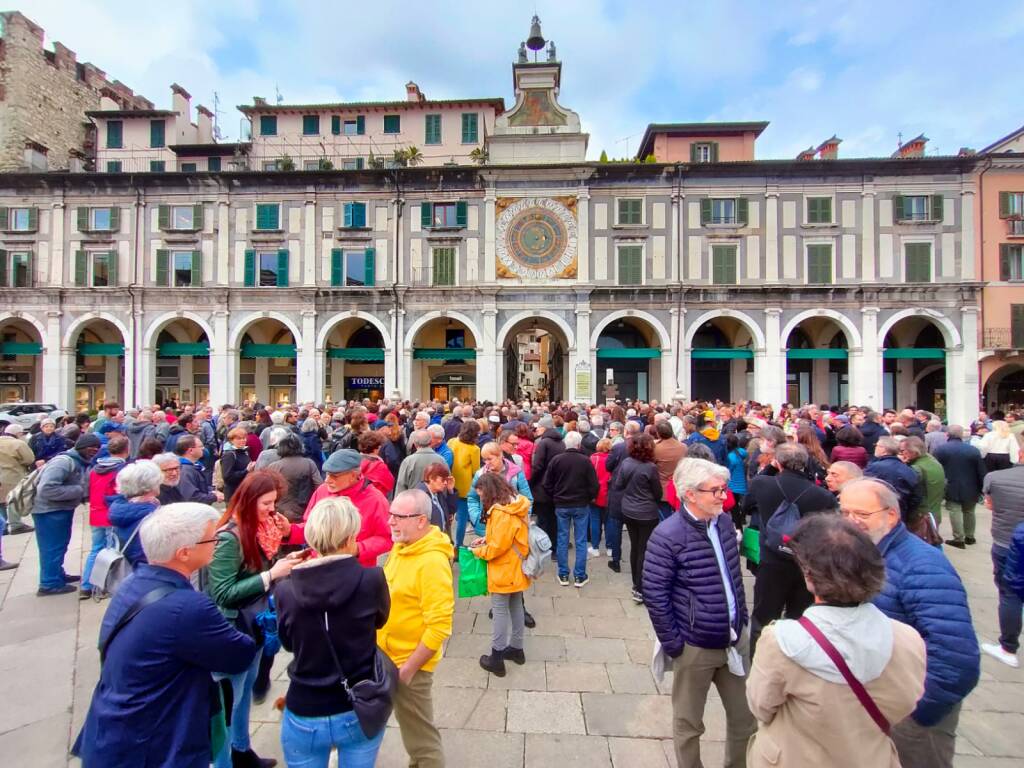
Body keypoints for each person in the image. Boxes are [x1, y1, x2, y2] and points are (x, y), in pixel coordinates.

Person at [72, 503, 258, 768]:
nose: (218, 540)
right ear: (184, 553)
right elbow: (240, 654)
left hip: (113, 729)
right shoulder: (187, 606)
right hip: (159, 743)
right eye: (212, 538)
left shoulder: (131, 585)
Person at [745, 514, 927, 768]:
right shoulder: (907, 639)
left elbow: (760, 706)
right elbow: (908, 701)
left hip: (797, 756)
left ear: (810, 575)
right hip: (870, 756)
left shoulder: (782, 642)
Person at [840, 478, 979, 768]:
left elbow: (957, 658)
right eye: (844, 513)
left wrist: (916, 714)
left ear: (891, 515)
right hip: (879, 702)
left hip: (912, 712)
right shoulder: (869, 551)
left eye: (862, 515)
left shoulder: (922, 566)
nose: (851, 522)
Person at [643, 458, 755, 767]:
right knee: (689, 723)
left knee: (745, 719)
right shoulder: (667, 535)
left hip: (734, 639)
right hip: (696, 644)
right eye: (716, 490)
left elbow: (733, 577)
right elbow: (655, 594)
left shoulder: (723, 521)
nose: (723, 496)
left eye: (723, 489)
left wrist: (741, 619)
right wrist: (676, 643)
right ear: (690, 494)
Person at [273, 496, 391, 768]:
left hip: (305, 705)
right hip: (357, 704)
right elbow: (380, 620)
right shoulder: (371, 579)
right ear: (350, 537)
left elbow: (289, 643)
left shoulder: (286, 590)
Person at [207, 470, 301, 768]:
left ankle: (242, 750)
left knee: (245, 693)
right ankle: (224, 761)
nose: (272, 509)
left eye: (274, 502)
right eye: (266, 503)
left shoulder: (263, 528)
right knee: (228, 702)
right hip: (233, 629)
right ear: (248, 501)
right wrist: (271, 575)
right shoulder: (229, 538)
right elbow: (222, 592)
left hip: (255, 623)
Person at [378, 489, 455, 768]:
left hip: (408, 664)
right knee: (412, 733)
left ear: (422, 521)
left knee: (421, 739)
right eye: (391, 515)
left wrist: (408, 671)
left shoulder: (432, 562)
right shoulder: (402, 546)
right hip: (386, 656)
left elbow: (439, 627)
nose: (391, 522)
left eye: (399, 517)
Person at [744, 442, 838, 650]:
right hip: (804, 564)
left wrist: (771, 468)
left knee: (764, 615)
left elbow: (747, 506)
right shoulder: (822, 495)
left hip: (771, 560)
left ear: (778, 462)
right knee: (800, 615)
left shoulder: (762, 484)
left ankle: (759, 655)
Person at [470, 473, 531, 677]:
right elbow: (505, 536)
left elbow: (496, 548)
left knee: (499, 610)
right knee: (516, 604)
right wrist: (485, 538)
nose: (481, 499)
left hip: (504, 568)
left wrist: (477, 551)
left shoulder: (500, 513)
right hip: (517, 565)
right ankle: (517, 649)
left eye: (481, 495)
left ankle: (496, 658)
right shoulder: (515, 504)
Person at [298, 449, 392, 567]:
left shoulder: (375, 499)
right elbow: (310, 527)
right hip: (319, 567)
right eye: (327, 474)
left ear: (353, 475)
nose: (327, 480)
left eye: (334, 476)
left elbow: (386, 538)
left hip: (356, 571)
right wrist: (289, 532)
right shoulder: (322, 490)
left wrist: (357, 549)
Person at [33, 433, 101, 596]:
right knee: (51, 547)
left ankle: (56, 574)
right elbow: (47, 488)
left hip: (59, 509)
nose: (95, 451)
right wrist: (78, 490)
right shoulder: (63, 462)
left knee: (60, 545)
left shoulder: (78, 460)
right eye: (92, 448)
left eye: (97, 448)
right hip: (49, 511)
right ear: (81, 447)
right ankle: (49, 583)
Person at [979, 458, 1024, 668]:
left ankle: (1008, 648)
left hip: (1006, 542)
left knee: (1009, 593)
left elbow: (989, 504)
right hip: (1008, 541)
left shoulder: (995, 477)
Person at [543, 431, 599, 588]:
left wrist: (555, 496)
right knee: (580, 540)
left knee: (562, 539)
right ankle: (580, 575)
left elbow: (547, 483)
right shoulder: (585, 461)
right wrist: (589, 497)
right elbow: (594, 485)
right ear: (579, 445)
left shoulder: (556, 460)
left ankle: (563, 573)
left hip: (562, 504)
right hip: (581, 504)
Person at [614, 433, 663, 603]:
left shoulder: (627, 463)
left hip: (629, 509)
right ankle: (640, 586)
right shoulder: (650, 468)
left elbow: (618, 485)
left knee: (636, 546)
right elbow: (658, 493)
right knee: (643, 548)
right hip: (646, 513)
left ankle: (636, 582)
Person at [81, 433, 130, 596]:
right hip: (113, 513)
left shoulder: (95, 468)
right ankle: (105, 584)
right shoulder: (122, 469)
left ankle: (87, 584)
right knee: (113, 550)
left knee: (96, 549)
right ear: (126, 450)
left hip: (96, 512)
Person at [932, 425, 987, 547]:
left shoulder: (940, 450)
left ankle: (958, 538)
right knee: (969, 511)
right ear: (962, 435)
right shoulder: (973, 450)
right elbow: (981, 470)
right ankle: (970, 536)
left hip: (951, 484)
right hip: (971, 485)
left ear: (947, 435)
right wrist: (983, 487)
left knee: (954, 510)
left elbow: (936, 468)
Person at [468, 441, 533, 536]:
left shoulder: (516, 473)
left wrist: (522, 520)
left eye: (490, 459)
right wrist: (477, 518)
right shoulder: (480, 474)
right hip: (486, 527)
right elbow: (472, 498)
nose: (487, 463)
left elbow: (528, 499)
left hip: (512, 527)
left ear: (500, 455)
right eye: (484, 460)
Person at [0, 423, 36, 567]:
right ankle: (15, 524)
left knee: (1, 502)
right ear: (18, 433)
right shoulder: (18, 443)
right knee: (13, 500)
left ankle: (4, 525)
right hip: (12, 475)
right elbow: (29, 459)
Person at [864, 437, 923, 522]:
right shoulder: (909, 469)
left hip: (878, 513)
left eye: (877, 445)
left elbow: (865, 490)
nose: (875, 447)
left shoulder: (875, 467)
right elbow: (916, 497)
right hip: (901, 513)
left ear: (884, 449)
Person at [268, 433, 323, 523]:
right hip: (304, 510)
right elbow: (319, 485)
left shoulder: (274, 466)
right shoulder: (309, 464)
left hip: (280, 511)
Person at [900, 436, 944, 543]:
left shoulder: (916, 469)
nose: (900, 454)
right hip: (934, 512)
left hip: (921, 515)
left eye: (902, 451)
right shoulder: (934, 462)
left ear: (913, 452)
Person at [530, 415, 565, 546]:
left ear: (544, 428)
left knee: (543, 519)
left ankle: (543, 547)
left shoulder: (542, 442)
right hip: (556, 485)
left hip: (542, 487)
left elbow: (537, 466)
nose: (537, 430)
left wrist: (531, 482)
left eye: (538, 427)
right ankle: (555, 546)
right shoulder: (561, 442)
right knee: (553, 518)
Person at [447, 420, 482, 548]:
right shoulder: (475, 449)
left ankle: (447, 540)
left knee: (447, 515)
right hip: (465, 486)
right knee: (462, 517)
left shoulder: (452, 442)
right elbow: (476, 470)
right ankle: (459, 544)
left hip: (449, 482)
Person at [395, 429, 447, 495]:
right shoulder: (441, 460)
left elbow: (401, 486)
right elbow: (446, 484)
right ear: (430, 441)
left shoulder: (408, 461)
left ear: (414, 443)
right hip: (435, 501)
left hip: (413, 501)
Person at [175, 435, 223, 504]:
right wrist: (214, 497)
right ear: (191, 450)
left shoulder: (194, 466)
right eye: (200, 446)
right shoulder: (185, 470)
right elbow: (192, 497)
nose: (203, 448)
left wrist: (212, 490)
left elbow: (200, 486)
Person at [416, 462, 458, 537]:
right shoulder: (420, 496)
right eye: (443, 480)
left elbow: (450, 511)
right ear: (431, 478)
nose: (445, 483)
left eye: (446, 479)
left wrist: (450, 491)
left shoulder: (438, 492)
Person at [589, 437, 612, 556]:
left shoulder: (593, 458)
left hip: (595, 494)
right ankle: (610, 548)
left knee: (595, 521)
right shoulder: (612, 459)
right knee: (609, 521)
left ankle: (595, 547)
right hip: (608, 493)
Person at [219, 426, 254, 503]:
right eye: (239, 439)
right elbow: (227, 477)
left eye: (244, 438)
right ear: (232, 440)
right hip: (234, 493)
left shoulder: (245, 451)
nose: (242, 440)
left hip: (244, 491)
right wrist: (246, 471)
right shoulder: (229, 455)